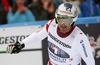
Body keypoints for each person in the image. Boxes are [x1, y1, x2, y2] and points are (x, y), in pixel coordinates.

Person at [6, 2, 95, 65]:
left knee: (88, 53)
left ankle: (90, 50)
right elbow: (37, 36)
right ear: (56, 18)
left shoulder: (80, 39)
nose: (63, 24)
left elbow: (90, 62)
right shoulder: (52, 25)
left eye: (67, 20)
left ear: (74, 21)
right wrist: (21, 45)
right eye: (60, 19)